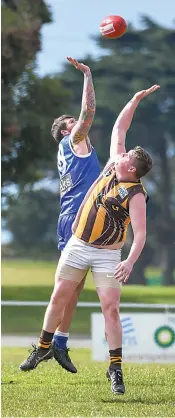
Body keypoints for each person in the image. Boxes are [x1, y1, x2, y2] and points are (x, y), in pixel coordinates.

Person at [19, 83, 160, 395]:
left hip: (108, 254)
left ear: (132, 167)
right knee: (60, 296)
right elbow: (120, 126)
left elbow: (141, 234)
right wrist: (134, 98)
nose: (124, 151)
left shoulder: (135, 192)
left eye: (129, 154)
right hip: (78, 244)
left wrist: (130, 262)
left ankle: (115, 368)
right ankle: (44, 346)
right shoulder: (112, 164)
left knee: (110, 308)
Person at [19, 57, 100, 373]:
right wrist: (87, 77)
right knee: (65, 287)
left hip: (75, 217)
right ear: (67, 129)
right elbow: (88, 112)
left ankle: (60, 344)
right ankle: (44, 344)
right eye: (71, 121)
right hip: (75, 219)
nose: (77, 122)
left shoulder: (72, 148)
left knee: (75, 288)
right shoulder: (74, 139)